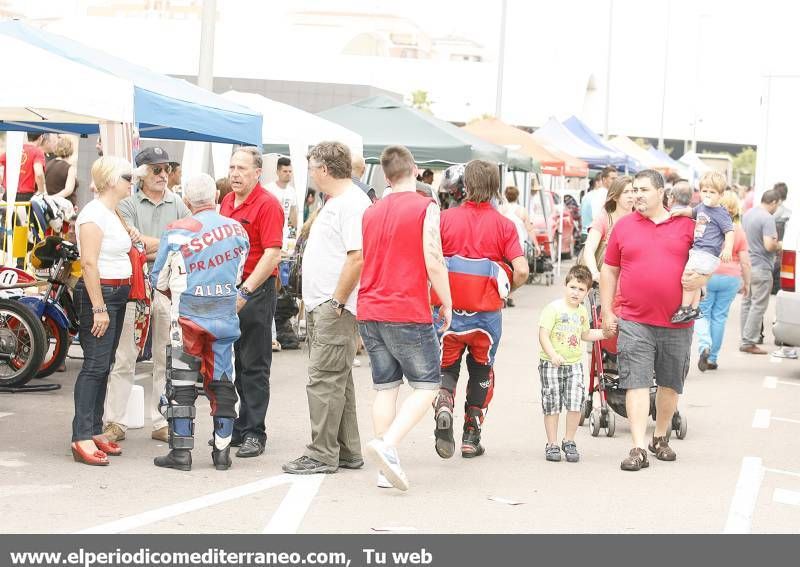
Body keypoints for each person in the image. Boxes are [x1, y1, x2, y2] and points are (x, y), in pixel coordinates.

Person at [359, 145, 452, 491]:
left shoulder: (371, 211)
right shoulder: (425, 206)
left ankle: (386, 465)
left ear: (385, 175)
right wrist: (447, 301)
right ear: (414, 170)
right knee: (427, 386)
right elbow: (433, 258)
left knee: (386, 388)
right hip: (406, 307)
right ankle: (388, 445)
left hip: (370, 306)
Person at [282, 141, 371, 475]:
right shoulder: (342, 201)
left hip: (334, 307)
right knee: (338, 380)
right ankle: (347, 450)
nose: (311, 174)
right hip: (329, 305)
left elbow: (357, 256)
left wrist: (337, 300)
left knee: (323, 381)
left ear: (323, 169)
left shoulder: (350, 203)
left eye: (312, 168)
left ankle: (322, 453)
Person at [150, 174, 249, 471]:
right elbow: (239, 274)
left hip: (187, 317)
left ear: (188, 201)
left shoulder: (176, 231)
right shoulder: (237, 229)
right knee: (222, 381)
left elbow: (159, 278)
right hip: (224, 316)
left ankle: (181, 454)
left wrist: (179, 291)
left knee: (181, 383)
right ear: (216, 199)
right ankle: (222, 453)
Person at [600, 169, 698, 471]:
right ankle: (638, 447)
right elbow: (609, 270)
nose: (636, 195)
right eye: (633, 190)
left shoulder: (686, 226)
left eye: (643, 190)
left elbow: (711, 252)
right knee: (637, 382)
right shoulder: (624, 226)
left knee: (670, 384)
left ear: (661, 192)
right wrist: (606, 310)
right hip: (634, 319)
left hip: (677, 321)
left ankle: (660, 436)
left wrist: (701, 281)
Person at [433, 163, 528, 459]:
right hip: (485, 317)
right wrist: (504, 290)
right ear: (495, 186)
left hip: (448, 311)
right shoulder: (505, 225)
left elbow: (429, 261)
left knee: (447, 368)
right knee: (481, 370)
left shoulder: (444, 219)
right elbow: (522, 270)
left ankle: (445, 401)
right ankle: (470, 435)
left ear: (465, 184)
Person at [102, 146, 190, 444]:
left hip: (166, 287)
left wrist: (151, 244)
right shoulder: (127, 203)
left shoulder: (177, 202)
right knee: (126, 355)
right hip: (136, 287)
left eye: (166, 168)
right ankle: (115, 421)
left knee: (166, 356)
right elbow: (131, 244)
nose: (164, 174)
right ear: (141, 174)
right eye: (156, 169)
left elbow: (190, 241)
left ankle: (162, 421)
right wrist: (168, 242)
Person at [70, 157, 136, 466]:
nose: (131, 181)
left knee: (104, 363)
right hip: (102, 294)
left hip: (115, 293)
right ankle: (82, 434)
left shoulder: (112, 212)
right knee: (95, 365)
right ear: (111, 179)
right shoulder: (94, 214)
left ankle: (93, 429)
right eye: (127, 176)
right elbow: (89, 263)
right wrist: (98, 307)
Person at [220, 147, 284, 457]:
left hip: (255, 290)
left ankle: (255, 432)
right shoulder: (227, 202)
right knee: (234, 362)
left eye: (242, 168)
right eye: (232, 167)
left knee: (254, 364)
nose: (235, 173)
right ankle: (238, 426)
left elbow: (272, 253)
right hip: (230, 289)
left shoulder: (268, 204)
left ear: (257, 173)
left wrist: (245, 291)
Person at [538, 265, 606, 462]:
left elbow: (585, 334)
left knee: (576, 403)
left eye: (581, 289)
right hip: (551, 364)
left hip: (574, 365)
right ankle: (552, 443)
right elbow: (543, 334)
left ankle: (569, 440)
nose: (576, 292)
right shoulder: (554, 309)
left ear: (587, 292)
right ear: (565, 286)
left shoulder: (583, 312)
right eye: (573, 287)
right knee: (552, 404)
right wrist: (552, 355)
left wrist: (604, 333)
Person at [695, 190, 751, 371]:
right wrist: (747, 282)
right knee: (719, 316)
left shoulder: (708, 224)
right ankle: (712, 358)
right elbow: (745, 262)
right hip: (731, 277)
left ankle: (704, 344)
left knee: (703, 312)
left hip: (708, 272)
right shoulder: (739, 231)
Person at [670, 172, 735, 323]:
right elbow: (693, 212)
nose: (707, 195)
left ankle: (685, 308)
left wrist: (728, 248)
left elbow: (729, 231)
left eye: (712, 192)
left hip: (706, 252)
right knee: (695, 279)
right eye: (704, 191)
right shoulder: (702, 207)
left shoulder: (721, 213)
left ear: (721, 195)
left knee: (687, 278)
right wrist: (681, 211)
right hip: (699, 251)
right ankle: (694, 308)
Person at [739, 189, 782, 355]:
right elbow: (768, 245)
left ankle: (745, 337)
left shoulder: (748, 214)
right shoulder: (768, 218)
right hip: (762, 266)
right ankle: (749, 341)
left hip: (748, 264)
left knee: (747, 302)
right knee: (758, 305)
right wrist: (779, 245)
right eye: (777, 205)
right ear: (773, 202)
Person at [582, 175, 634, 283]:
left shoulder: (641, 219)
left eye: (633, 191)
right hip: (605, 283)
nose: (631, 196)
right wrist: (594, 273)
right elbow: (589, 248)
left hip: (630, 283)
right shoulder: (604, 218)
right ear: (615, 197)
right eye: (626, 192)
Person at [0, 132, 55, 201]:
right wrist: (42, 193)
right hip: (26, 197)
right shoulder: (37, 152)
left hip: (8, 196)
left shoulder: (14, 149)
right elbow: (39, 173)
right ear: (41, 137)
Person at [44, 136, 79, 207]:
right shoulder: (70, 168)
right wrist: (53, 198)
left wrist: (49, 198)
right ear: (70, 149)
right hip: (63, 208)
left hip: (50, 207)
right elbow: (68, 190)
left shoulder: (48, 165)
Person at [265, 157, 297, 232]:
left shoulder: (292, 191)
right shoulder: (267, 189)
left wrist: (294, 231)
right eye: (285, 171)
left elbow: (292, 212)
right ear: (278, 172)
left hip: (284, 233)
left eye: (290, 171)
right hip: (269, 230)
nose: (288, 174)